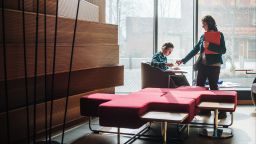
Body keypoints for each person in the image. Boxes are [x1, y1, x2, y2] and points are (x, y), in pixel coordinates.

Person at [176, 15, 227, 119]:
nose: (202, 26)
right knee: (200, 87)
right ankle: (205, 110)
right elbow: (195, 50)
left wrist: (210, 46)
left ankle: (222, 112)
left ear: (209, 24)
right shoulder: (203, 36)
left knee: (214, 88)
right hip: (202, 66)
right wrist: (183, 60)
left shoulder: (220, 35)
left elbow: (223, 50)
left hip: (214, 66)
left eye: (204, 24)